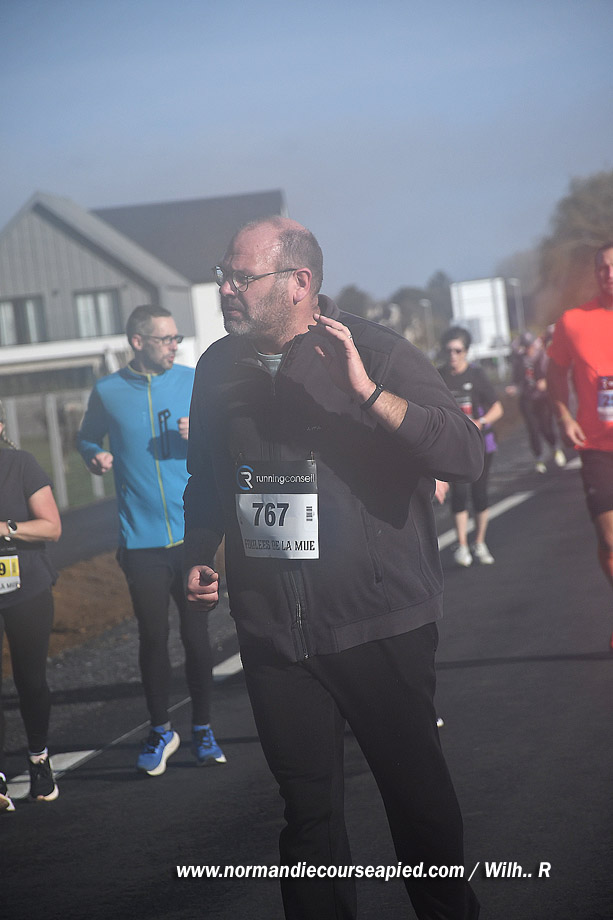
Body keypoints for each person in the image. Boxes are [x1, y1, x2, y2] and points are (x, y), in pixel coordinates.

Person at [183, 217, 482, 919]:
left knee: (418, 807)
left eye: (240, 277)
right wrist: (198, 552)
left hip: (379, 624)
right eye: (223, 275)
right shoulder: (216, 367)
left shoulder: (374, 351)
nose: (225, 289)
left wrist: (369, 394)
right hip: (274, 635)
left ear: (299, 283)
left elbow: (464, 453)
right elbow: (205, 478)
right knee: (307, 821)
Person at [77, 305, 225, 776]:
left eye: (177, 338)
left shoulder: (192, 381)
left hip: (192, 535)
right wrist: (94, 454)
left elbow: (226, 440)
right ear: (137, 342)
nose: (175, 346)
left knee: (197, 637)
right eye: (166, 339)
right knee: (152, 638)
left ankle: (203, 729)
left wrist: (201, 433)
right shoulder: (107, 391)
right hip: (139, 540)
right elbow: (85, 438)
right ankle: (160, 730)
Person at [547, 241, 613, 649]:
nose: (610, 273)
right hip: (597, 446)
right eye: (603, 267)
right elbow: (555, 372)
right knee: (609, 541)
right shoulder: (573, 322)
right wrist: (564, 415)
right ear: (595, 273)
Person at [0, 402, 62, 812]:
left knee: (30, 681)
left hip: (26, 588)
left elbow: (52, 527)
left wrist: (6, 528)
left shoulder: (20, 464)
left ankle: (39, 759)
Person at [435, 326, 504, 567]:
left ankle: (480, 542)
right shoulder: (439, 376)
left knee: (479, 493)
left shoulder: (477, 375)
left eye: (458, 350)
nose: (453, 355)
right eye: (448, 350)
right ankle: (462, 545)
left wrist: (480, 422)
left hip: (480, 444)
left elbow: (497, 408)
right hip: (453, 446)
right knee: (459, 494)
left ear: (466, 351)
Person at [506, 331, 566, 473]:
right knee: (533, 429)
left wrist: (546, 382)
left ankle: (555, 447)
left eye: (530, 346)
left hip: (543, 398)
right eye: (526, 347)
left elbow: (553, 374)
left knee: (546, 427)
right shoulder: (520, 360)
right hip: (527, 398)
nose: (529, 350)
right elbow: (516, 380)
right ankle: (538, 457)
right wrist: (513, 388)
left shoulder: (543, 356)